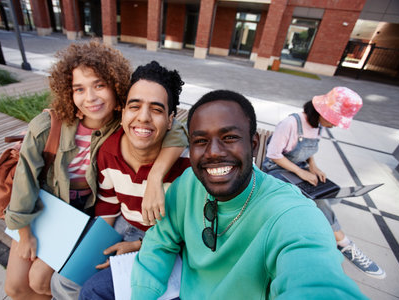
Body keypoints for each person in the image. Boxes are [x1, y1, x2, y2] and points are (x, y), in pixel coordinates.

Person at [130, 90, 368, 299]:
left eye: (230, 137)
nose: (213, 152)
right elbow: (159, 241)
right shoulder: (187, 183)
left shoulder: (290, 212)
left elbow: (315, 276)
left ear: (253, 145)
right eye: (201, 140)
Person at [3, 42, 188, 300]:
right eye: (79, 89)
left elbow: (176, 129)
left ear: (116, 90)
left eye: (99, 85)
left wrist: (155, 176)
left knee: (43, 279)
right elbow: (25, 183)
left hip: (87, 213)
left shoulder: (122, 124)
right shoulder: (51, 124)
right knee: (16, 287)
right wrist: (24, 234)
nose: (90, 97)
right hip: (49, 208)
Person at [63, 61, 190, 300]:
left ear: (171, 119)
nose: (143, 117)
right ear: (122, 112)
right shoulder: (108, 152)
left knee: (95, 291)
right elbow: (108, 206)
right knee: (64, 282)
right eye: (135, 106)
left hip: (162, 240)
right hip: (123, 225)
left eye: (156, 109)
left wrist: (137, 247)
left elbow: (186, 232)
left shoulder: (186, 166)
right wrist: (95, 250)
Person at [261, 86, 385, 279]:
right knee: (318, 200)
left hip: (298, 169)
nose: (335, 126)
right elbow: (274, 155)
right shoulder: (291, 123)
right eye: (335, 120)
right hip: (276, 170)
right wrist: (301, 172)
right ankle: (343, 243)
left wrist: (313, 167)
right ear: (321, 111)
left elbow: (308, 153)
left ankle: (322, 228)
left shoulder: (318, 125)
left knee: (329, 191)